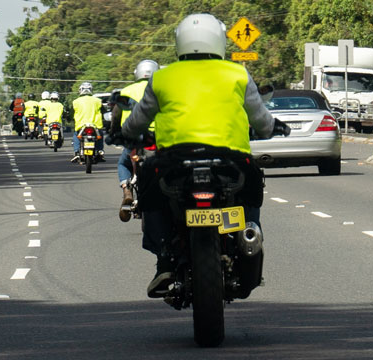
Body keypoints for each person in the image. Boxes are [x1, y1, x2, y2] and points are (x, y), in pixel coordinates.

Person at [121, 13, 277, 297]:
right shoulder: (237, 74)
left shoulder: (162, 77)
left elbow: (137, 121)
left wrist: (127, 131)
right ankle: (249, 233)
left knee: (147, 184)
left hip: (173, 162)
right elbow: (263, 123)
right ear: (219, 40)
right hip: (231, 161)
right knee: (253, 185)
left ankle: (164, 257)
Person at [110, 59, 159, 221]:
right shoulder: (161, 88)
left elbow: (116, 115)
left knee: (123, 163)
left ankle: (126, 189)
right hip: (160, 138)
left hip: (135, 140)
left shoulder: (126, 91)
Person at [71, 82, 104, 162]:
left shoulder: (76, 101)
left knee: (76, 136)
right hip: (95, 125)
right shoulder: (98, 101)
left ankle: (77, 152)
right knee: (100, 136)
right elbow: (104, 111)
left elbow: (71, 114)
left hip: (80, 125)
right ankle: (100, 151)